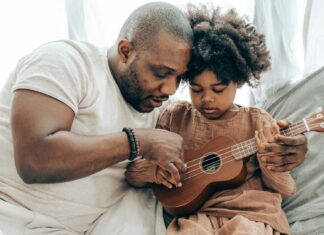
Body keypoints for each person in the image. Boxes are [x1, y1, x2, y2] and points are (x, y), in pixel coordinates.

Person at [0, 2, 307, 235]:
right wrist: (136, 142)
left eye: (179, 78)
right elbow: (34, 160)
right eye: (161, 74)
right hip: (16, 217)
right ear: (125, 51)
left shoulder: (161, 108)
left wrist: (285, 151)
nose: (171, 89)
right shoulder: (67, 62)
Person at [126, 5, 299, 235]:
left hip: (253, 215)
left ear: (238, 81)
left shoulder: (257, 121)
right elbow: (131, 173)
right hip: (197, 217)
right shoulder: (175, 118)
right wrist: (154, 171)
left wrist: (269, 161)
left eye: (218, 89)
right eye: (196, 89)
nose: (207, 98)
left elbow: (286, 189)